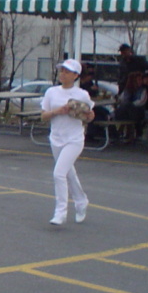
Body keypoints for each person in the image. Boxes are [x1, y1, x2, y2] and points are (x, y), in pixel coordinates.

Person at [40, 58, 95, 226]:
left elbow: (90, 116)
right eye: (61, 70)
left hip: (74, 139)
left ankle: (60, 212)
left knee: (59, 173)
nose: (62, 74)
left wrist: (84, 114)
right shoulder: (52, 92)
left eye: (67, 71)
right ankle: (81, 200)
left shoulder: (82, 94)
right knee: (68, 173)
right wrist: (57, 111)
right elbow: (43, 116)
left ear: (75, 75)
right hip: (56, 139)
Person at [112, 71, 148, 142]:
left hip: (137, 112)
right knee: (124, 110)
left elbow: (141, 102)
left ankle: (121, 132)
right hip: (126, 112)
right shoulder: (127, 90)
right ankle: (120, 133)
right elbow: (121, 99)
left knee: (126, 109)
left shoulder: (143, 90)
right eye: (139, 79)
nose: (141, 81)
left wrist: (130, 105)